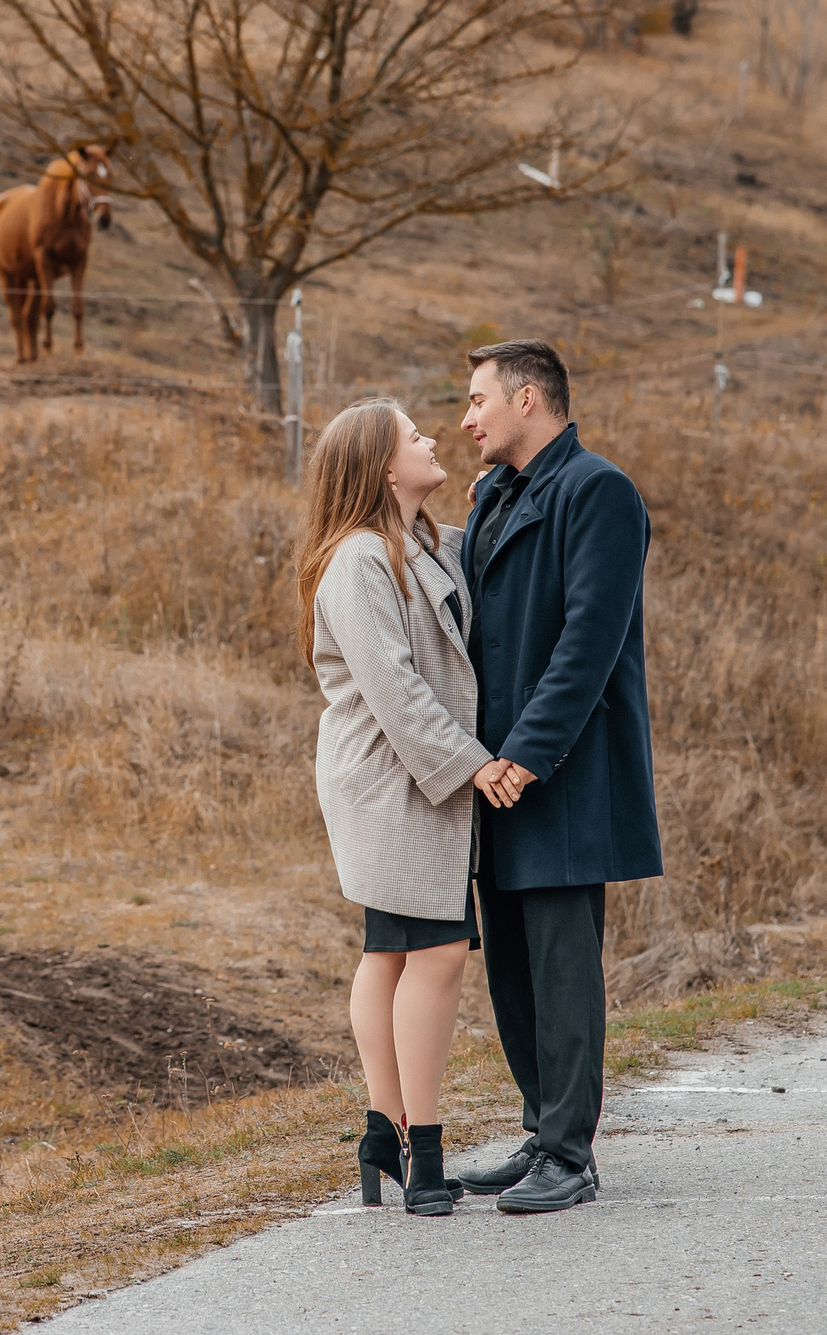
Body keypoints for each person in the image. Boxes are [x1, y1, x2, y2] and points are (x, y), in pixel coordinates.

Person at [451, 339, 659, 1215]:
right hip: (492, 778)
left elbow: (588, 641)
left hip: (557, 775)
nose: (465, 419)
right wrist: (477, 762)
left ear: (529, 399)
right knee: (511, 966)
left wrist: (527, 755)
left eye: (476, 401)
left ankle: (572, 1154)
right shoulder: (494, 495)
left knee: (562, 965)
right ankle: (543, 1127)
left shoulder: (598, 491)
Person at [298, 398, 506, 1217]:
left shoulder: (423, 543)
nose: (433, 439)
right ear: (386, 467)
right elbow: (395, 688)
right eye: (414, 435)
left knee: (393, 951)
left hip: (416, 780)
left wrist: (503, 495)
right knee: (440, 951)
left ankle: (383, 1132)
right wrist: (474, 765)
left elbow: (479, 560)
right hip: (391, 781)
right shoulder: (356, 561)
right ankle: (424, 1149)